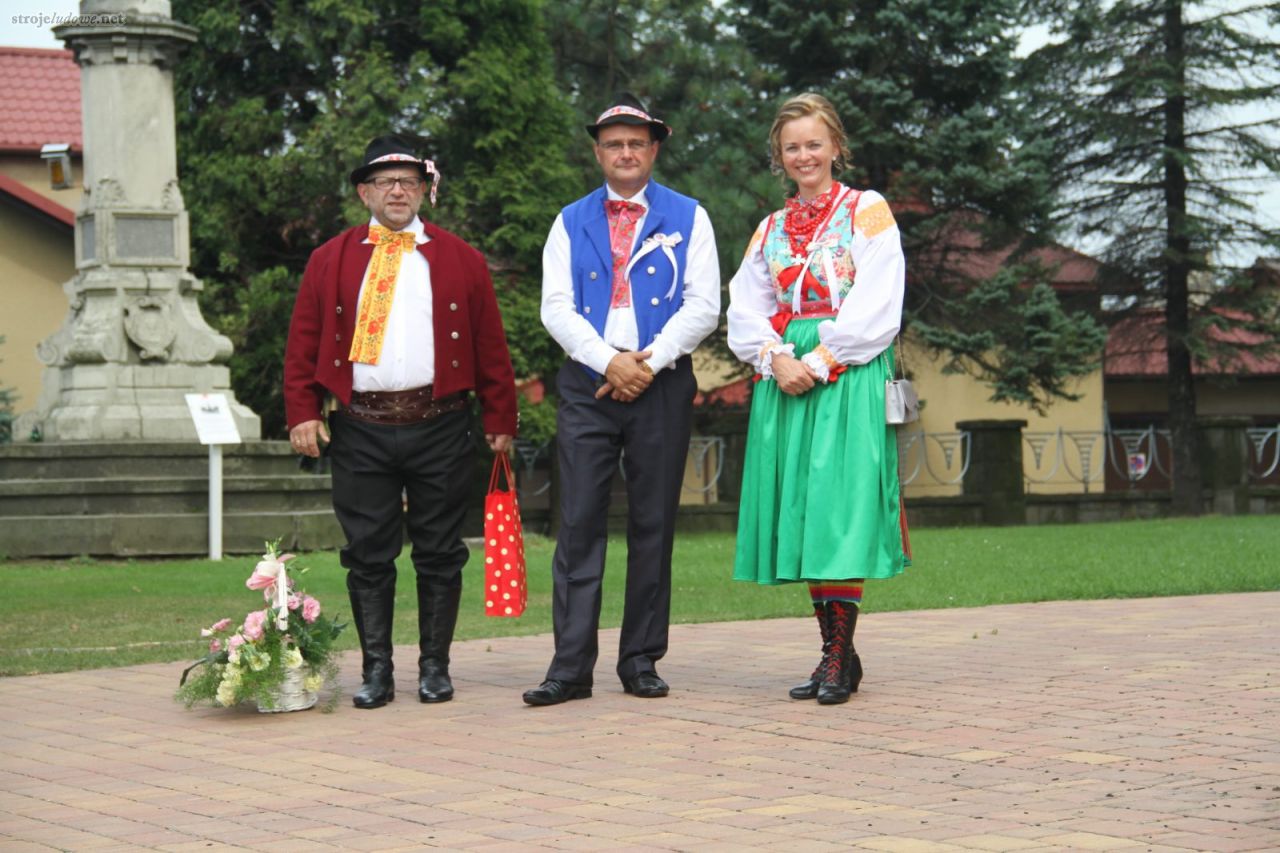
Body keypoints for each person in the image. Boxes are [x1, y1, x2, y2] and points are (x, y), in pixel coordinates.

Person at [284, 135, 518, 710]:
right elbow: (303, 342)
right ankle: (377, 672)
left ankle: (435, 668)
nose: (396, 190)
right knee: (367, 553)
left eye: (408, 181)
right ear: (364, 191)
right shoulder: (329, 258)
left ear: (424, 190)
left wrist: (500, 415)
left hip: (441, 424)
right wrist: (302, 411)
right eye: (385, 181)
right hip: (360, 426)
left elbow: (491, 343)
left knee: (440, 551)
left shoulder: (460, 257)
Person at [523, 93, 721, 706]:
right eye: (614, 144)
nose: (626, 153)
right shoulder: (569, 219)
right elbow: (554, 307)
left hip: (660, 382)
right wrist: (608, 361)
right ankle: (570, 667)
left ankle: (640, 659)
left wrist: (647, 363)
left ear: (654, 149)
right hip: (589, 383)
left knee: (652, 523)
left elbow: (704, 305)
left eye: (637, 143)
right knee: (578, 521)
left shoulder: (690, 216)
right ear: (597, 152)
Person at [726, 93, 910, 705]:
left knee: (839, 508)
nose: (804, 155)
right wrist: (772, 357)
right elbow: (745, 306)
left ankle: (837, 656)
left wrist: (820, 359)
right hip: (785, 372)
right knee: (805, 509)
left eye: (814, 143)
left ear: (836, 146)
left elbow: (880, 299)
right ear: (779, 157)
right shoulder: (770, 228)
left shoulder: (868, 210)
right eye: (792, 146)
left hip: (846, 368)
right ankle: (839, 655)